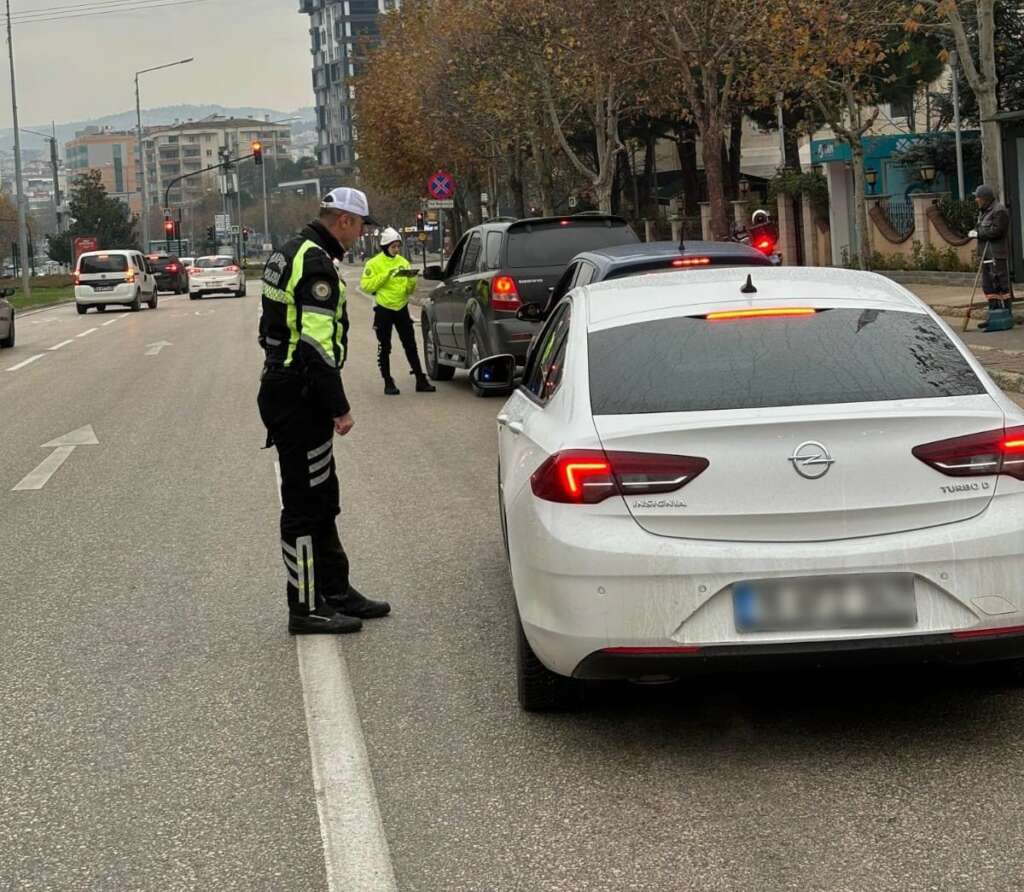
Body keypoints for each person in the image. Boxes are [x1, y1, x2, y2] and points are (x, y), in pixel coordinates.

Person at [257, 187, 391, 635]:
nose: (358, 237)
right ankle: (306, 606)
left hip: (285, 386)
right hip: (301, 395)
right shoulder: (315, 263)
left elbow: (271, 326)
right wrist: (339, 407)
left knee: (323, 496)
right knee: (305, 507)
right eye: (359, 227)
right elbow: (315, 345)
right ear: (345, 221)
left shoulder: (288, 251)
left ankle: (336, 589)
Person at [361, 228, 436, 395]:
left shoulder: (403, 262)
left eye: (398, 246)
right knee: (385, 346)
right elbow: (366, 286)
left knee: (410, 345)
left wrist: (411, 280)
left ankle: (420, 379)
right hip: (383, 309)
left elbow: (409, 291)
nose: (396, 250)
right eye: (393, 246)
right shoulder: (373, 263)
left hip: (401, 307)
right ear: (385, 246)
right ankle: (388, 381)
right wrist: (386, 275)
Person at [974, 184, 1013, 332]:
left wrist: (979, 233)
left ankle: (1005, 315)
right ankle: (993, 316)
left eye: (978, 198)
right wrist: (976, 231)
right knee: (988, 285)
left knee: (1000, 284)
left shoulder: (999, 211)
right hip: (985, 253)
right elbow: (981, 228)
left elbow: (997, 231)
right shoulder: (983, 211)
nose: (976, 200)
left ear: (985, 198)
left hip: (996, 253)